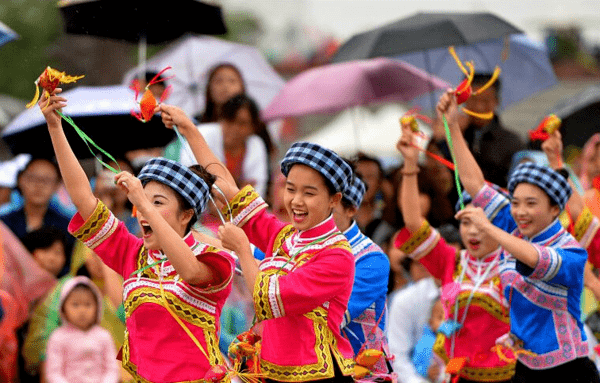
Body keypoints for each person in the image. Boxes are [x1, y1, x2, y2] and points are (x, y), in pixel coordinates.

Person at [39, 89, 235, 382]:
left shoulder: (215, 259)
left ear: (186, 215)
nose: (142, 212)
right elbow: (82, 198)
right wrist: (55, 127)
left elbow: (191, 272)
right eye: (141, 202)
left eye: (158, 203)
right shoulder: (134, 253)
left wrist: (142, 201)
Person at [159, 104, 356, 382]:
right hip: (270, 371)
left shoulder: (337, 256)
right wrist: (189, 129)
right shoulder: (286, 237)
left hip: (318, 376)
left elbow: (269, 299)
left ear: (334, 200)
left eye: (309, 193)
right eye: (290, 189)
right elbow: (227, 187)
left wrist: (241, 248)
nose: (296, 201)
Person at [438, 89, 599, 382]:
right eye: (515, 202)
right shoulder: (511, 225)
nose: (521, 211)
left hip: (569, 371)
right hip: (523, 367)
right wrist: (451, 125)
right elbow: (473, 181)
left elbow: (535, 259)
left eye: (531, 204)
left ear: (554, 209)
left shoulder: (571, 252)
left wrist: (489, 228)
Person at [395, 120, 514, 382]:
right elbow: (413, 222)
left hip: (507, 376)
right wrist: (411, 164)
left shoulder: (516, 262)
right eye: (466, 222)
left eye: (482, 223)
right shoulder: (451, 260)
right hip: (456, 374)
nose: (473, 232)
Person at [333, 171, 392, 373]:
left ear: (351, 209)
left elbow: (331, 318)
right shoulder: (296, 245)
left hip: (359, 374)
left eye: (330, 206)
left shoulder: (370, 259)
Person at [432, 74, 524, 188]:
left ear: (496, 101)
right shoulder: (453, 130)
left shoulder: (511, 141)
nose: (479, 107)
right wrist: (445, 138)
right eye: (473, 99)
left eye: (485, 101)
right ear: (464, 100)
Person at [174, 94, 272, 198]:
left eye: (242, 123)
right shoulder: (202, 134)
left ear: (253, 127)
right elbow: (190, 175)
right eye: (230, 120)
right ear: (221, 119)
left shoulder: (256, 144)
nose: (235, 128)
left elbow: (257, 191)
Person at [0, 157, 74, 276]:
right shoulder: (4, 224)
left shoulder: (67, 227)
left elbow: (69, 267)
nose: (39, 185)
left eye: (46, 180)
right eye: (33, 178)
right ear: (20, 180)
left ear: (56, 185)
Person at [45, 276, 119, 383]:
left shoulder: (104, 336)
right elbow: (54, 373)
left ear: (97, 307)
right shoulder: (57, 337)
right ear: (63, 308)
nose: (82, 310)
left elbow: (112, 369)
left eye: (88, 304)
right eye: (75, 305)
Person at [354, 153, 395, 247]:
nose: (363, 183)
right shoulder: (338, 219)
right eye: (358, 176)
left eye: (370, 177)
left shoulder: (389, 219)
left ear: (380, 182)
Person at [412, 299, 445, 383]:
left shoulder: (454, 341)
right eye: (440, 317)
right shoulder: (424, 342)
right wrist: (426, 371)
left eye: (448, 318)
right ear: (430, 322)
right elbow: (416, 364)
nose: (445, 322)